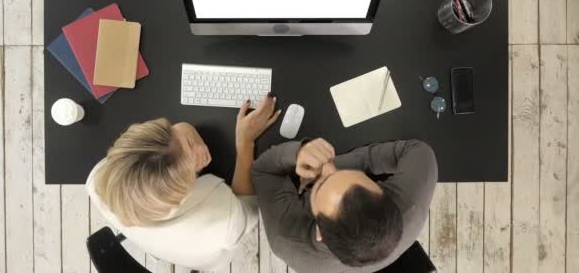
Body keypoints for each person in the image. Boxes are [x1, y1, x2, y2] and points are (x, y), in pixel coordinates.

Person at [86, 93, 281, 271]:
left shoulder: (97, 179)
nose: (177, 130)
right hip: (204, 254)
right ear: (180, 190)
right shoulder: (225, 220)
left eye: (169, 129)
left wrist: (181, 139)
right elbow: (249, 209)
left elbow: (167, 144)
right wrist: (245, 142)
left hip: (155, 243)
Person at [252, 138, 437, 273]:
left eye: (321, 185)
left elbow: (262, 170)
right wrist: (340, 164)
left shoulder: (285, 239)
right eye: (361, 176)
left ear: (319, 232)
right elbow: (420, 150)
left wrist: (298, 153)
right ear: (385, 193)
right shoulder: (411, 206)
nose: (327, 166)